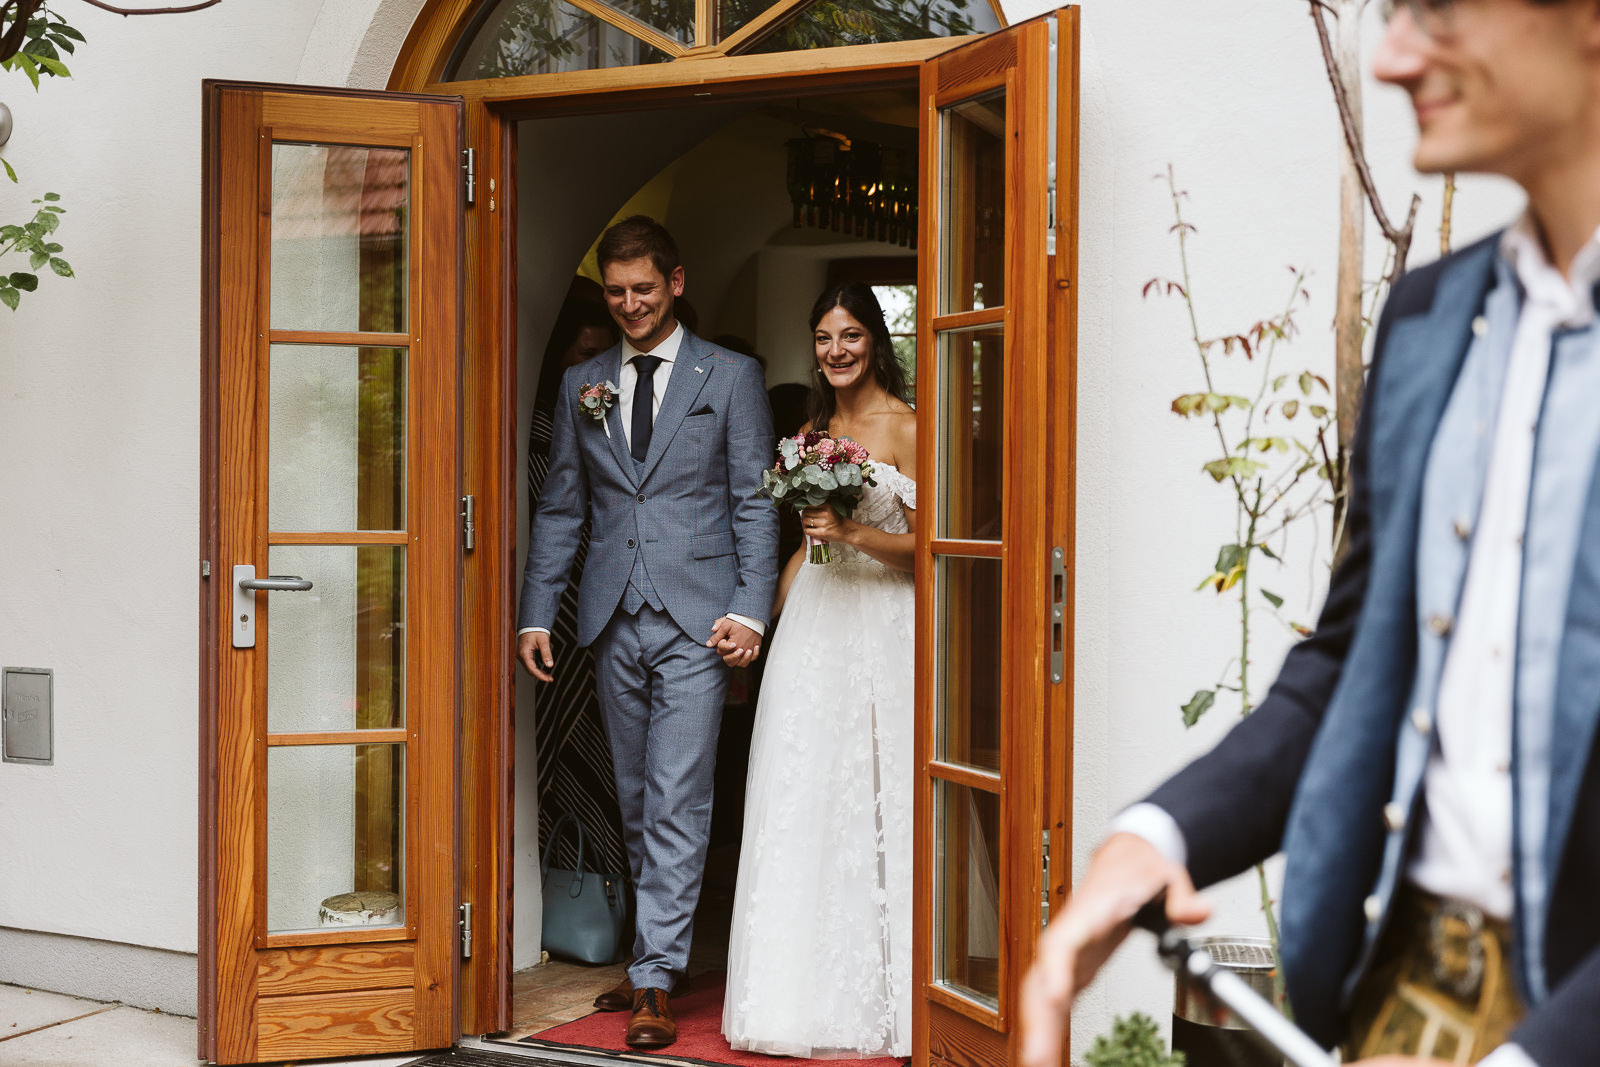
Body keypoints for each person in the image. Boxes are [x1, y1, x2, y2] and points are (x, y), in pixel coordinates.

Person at [1022, 3, 1600, 1066]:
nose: (1387, 57)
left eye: (1431, 9)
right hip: (1400, 1004)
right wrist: (1151, 839)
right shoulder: (1430, 317)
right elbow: (1348, 665)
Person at [517, 215, 778, 1050]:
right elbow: (563, 505)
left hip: (698, 619)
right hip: (609, 616)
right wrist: (535, 608)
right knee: (633, 794)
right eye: (617, 291)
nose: (630, 304)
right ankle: (651, 952)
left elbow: (752, 499)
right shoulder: (583, 382)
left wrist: (749, 608)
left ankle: (657, 975)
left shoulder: (730, 376)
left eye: (643, 288)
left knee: (678, 794)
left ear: (676, 281)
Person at [722, 281, 918, 1058]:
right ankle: (794, 993)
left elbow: (934, 546)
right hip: (816, 623)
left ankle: (896, 987)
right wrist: (762, 627)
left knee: (877, 793)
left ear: (874, 339)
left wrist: (854, 533)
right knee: (804, 794)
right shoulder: (812, 430)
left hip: (882, 622)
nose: (836, 351)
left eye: (851, 335)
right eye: (824, 338)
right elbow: (809, 548)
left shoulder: (906, 425)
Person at [526, 283, 627, 884]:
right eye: (575, 358)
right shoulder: (534, 425)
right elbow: (557, 512)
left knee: (596, 753)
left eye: (596, 358)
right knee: (548, 744)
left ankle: (599, 881)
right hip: (552, 600)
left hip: (600, 602)